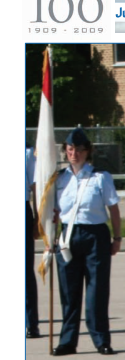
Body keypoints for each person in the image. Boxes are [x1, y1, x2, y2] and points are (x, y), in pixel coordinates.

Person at [52, 129, 120, 356]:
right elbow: (53, 210)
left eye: (79, 150)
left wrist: (117, 237)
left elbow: (113, 208)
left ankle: (101, 340)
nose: (74, 154)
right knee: (69, 292)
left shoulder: (100, 176)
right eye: (70, 150)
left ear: (87, 152)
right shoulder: (59, 178)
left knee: (96, 291)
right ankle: (67, 341)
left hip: (95, 236)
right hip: (67, 237)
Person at [26, 145, 40, 339]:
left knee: (24, 271)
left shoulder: (27, 153)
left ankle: (30, 323)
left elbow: (35, 188)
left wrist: (38, 219)